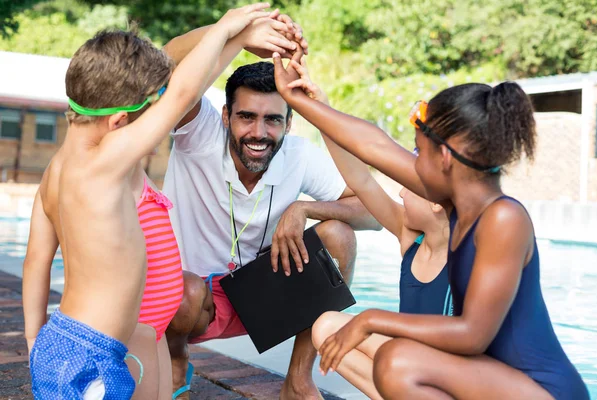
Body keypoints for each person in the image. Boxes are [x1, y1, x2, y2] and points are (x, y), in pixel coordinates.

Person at [273, 53, 589, 399]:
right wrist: (296, 100)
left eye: (419, 153)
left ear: (446, 158)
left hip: (542, 390)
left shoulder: (503, 218)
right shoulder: (460, 205)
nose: (412, 166)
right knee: (397, 359)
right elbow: (373, 146)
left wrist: (370, 319)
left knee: (399, 361)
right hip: (489, 381)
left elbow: (473, 335)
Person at [22, 4, 275, 398]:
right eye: (152, 109)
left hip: (121, 337)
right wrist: (230, 29)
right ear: (121, 122)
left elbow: (35, 263)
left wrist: (34, 340)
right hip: (91, 353)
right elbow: (184, 92)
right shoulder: (103, 165)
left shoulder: (60, 170)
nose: (162, 115)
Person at [161, 38, 380, 400]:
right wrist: (236, 31)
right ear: (226, 115)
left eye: (272, 120)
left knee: (338, 235)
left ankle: (296, 380)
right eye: (246, 116)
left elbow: (373, 213)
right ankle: (175, 362)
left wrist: (305, 209)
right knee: (185, 290)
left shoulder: (298, 155)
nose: (259, 133)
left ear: (289, 123)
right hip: (190, 301)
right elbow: (163, 65)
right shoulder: (199, 133)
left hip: (260, 296)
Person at [280, 57, 452, 399]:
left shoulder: (469, 249)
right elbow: (359, 177)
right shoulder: (411, 238)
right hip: (410, 369)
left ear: (437, 200)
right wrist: (319, 108)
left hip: (450, 378)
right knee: (327, 327)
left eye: (410, 187)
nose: (401, 191)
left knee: (399, 355)